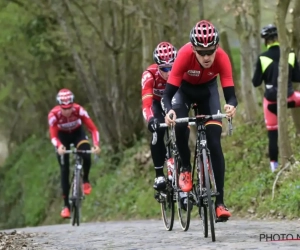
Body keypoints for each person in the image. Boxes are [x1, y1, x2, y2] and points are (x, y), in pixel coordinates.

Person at [161, 20, 238, 219]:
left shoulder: (222, 57)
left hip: (208, 92)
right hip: (184, 91)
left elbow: (230, 94)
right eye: (201, 53)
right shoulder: (184, 55)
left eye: (210, 51)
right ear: (193, 48)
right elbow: (167, 96)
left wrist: (230, 105)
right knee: (179, 126)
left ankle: (219, 202)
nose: (206, 57)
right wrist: (169, 111)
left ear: (217, 47)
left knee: (214, 142)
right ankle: (185, 168)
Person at [252, 24, 300, 172]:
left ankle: (274, 167)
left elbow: (256, 82)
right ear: (279, 38)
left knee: (273, 135)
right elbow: (297, 77)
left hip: (271, 102)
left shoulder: (262, 58)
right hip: (290, 98)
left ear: (265, 41)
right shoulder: (290, 53)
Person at [48, 88, 101, 218]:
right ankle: (66, 206)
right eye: (64, 109)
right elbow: (53, 136)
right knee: (64, 170)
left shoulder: (79, 110)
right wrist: (59, 146)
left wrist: (96, 145)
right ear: (59, 106)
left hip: (78, 134)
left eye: (69, 108)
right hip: (62, 138)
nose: (67, 111)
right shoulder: (53, 115)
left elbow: (93, 129)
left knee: (86, 154)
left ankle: (86, 180)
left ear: (73, 105)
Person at [141, 42, 178, 191]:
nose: (169, 73)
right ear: (157, 66)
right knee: (158, 130)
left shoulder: (181, 71)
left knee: (183, 128)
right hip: (156, 104)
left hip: (173, 103)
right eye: (164, 69)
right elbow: (147, 103)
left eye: (172, 67)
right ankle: (159, 174)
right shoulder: (149, 75)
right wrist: (151, 119)